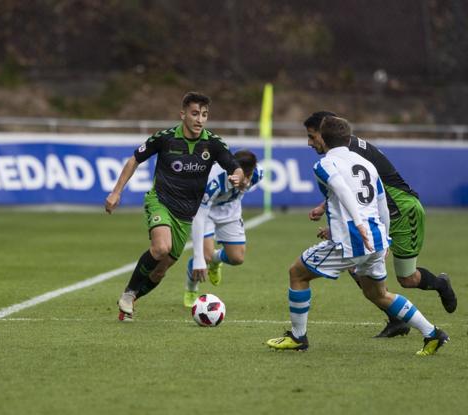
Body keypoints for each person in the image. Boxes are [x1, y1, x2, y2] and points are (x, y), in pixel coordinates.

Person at [266, 116, 448, 356]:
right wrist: (384, 239)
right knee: (378, 294)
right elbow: (381, 204)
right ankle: (432, 333)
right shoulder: (367, 164)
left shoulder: (324, 165)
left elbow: (342, 190)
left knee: (297, 273)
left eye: (313, 137)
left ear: (324, 138)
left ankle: (298, 337)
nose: (311, 143)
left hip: (351, 241)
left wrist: (359, 225)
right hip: (376, 240)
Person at [304, 111, 456, 338]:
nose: (309, 142)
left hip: (403, 211)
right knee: (354, 263)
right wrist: (328, 212)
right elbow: (350, 191)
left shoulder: (344, 153)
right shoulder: (346, 146)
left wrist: (350, 224)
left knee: (407, 278)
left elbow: (351, 191)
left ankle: (440, 284)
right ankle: (396, 319)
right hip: (377, 213)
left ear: (324, 133)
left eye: (312, 136)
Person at [105, 92, 245, 321]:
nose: (200, 119)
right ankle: (129, 293)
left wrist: (237, 176)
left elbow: (235, 166)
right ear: (183, 114)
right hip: (159, 201)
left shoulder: (213, 143)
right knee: (161, 248)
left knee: (160, 270)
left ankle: (129, 303)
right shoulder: (165, 138)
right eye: (195, 114)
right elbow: (134, 160)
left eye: (204, 115)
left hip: (186, 214)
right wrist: (116, 191)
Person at [183, 149, 262, 307]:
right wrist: (199, 255)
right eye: (242, 175)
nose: (246, 181)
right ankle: (191, 289)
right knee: (204, 256)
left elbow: (247, 181)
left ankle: (215, 260)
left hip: (230, 211)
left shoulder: (258, 174)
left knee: (237, 258)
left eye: (249, 174)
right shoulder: (214, 180)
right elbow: (200, 213)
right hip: (205, 211)